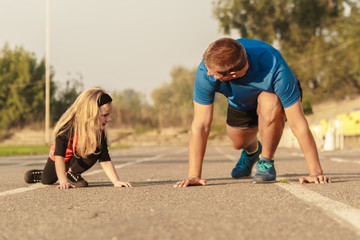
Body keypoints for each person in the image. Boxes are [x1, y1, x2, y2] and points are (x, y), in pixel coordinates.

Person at [174, 38, 330, 187]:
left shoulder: (275, 67)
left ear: (232, 74)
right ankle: (252, 151)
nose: (208, 73)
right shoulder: (205, 69)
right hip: (240, 102)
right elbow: (200, 125)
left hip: (271, 99)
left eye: (213, 74)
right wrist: (194, 175)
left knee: (270, 101)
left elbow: (298, 124)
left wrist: (315, 172)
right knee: (238, 142)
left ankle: (266, 161)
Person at [24, 86, 132, 189]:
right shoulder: (67, 128)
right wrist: (63, 181)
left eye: (109, 114)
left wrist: (116, 181)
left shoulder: (99, 132)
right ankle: (42, 174)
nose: (109, 119)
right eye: (105, 115)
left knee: (97, 149)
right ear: (90, 113)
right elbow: (59, 157)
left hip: (78, 157)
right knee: (47, 180)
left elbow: (105, 159)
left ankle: (72, 173)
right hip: (62, 159)